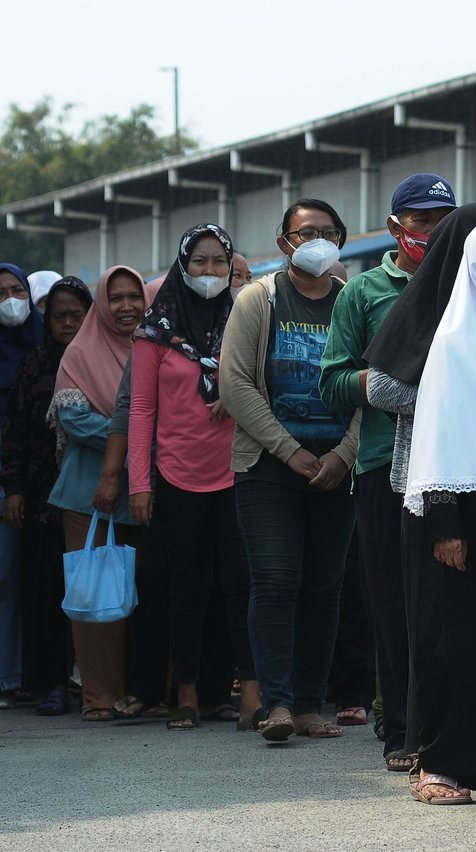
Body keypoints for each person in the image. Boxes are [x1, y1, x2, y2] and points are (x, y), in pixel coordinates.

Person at [319, 173, 456, 769]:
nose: (435, 232)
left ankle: (448, 726)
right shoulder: (366, 291)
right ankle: (401, 728)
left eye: (445, 221)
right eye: (423, 221)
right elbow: (331, 381)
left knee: (448, 609)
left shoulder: (466, 285)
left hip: (456, 466)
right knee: (394, 604)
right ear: (397, 227)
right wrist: (399, 388)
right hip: (384, 468)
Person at [220, 198, 359, 742]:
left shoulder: (353, 301)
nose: (317, 240)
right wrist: (291, 451)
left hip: (337, 467)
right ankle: (275, 703)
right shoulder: (258, 299)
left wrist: (342, 456)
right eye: (306, 233)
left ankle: (306, 704)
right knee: (276, 579)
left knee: (325, 587)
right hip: (269, 468)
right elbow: (236, 385)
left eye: (328, 231)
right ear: (284, 244)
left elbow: (371, 385)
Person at [364, 204, 476, 804]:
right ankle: (436, 759)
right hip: (440, 494)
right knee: (441, 635)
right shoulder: (447, 328)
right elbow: (383, 385)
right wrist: (444, 518)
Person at [128, 223, 262, 731]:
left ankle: (248, 691)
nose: (210, 272)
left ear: (231, 267)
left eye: (218, 262)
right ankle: (185, 692)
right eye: (200, 261)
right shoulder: (154, 330)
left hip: (238, 471)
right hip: (176, 473)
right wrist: (140, 482)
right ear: (183, 265)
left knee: (240, 584)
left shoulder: (246, 320)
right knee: (186, 587)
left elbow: (262, 384)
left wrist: (237, 392)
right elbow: (141, 410)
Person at [47, 265, 147, 721]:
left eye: (134, 297)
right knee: (94, 595)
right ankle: (98, 697)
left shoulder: (154, 348)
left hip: (144, 490)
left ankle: (140, 692)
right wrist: (136, 434)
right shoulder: (80, 353)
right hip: (89, 493)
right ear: (102, 306)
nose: (126, 307)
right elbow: (74, 420)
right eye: (116, 298)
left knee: (141, 595)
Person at [1, 277, 93, 714]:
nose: (69, 323)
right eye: (59, 317)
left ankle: (97, 680)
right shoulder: (35, 365)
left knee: (97, 588)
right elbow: (14, 431)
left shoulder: (102, 358)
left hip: (98, 496)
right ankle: (52, 682)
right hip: (43, 499)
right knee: (49, 593)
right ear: (46, 319)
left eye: (77, 315)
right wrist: (14, 490)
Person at [0, 264, 43, 710]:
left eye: (17, 290)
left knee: (17, 580)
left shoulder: (38, 347)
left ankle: (17, 675)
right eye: (1, 293)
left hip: (29, 482)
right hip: (12, 480)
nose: (10, 300)